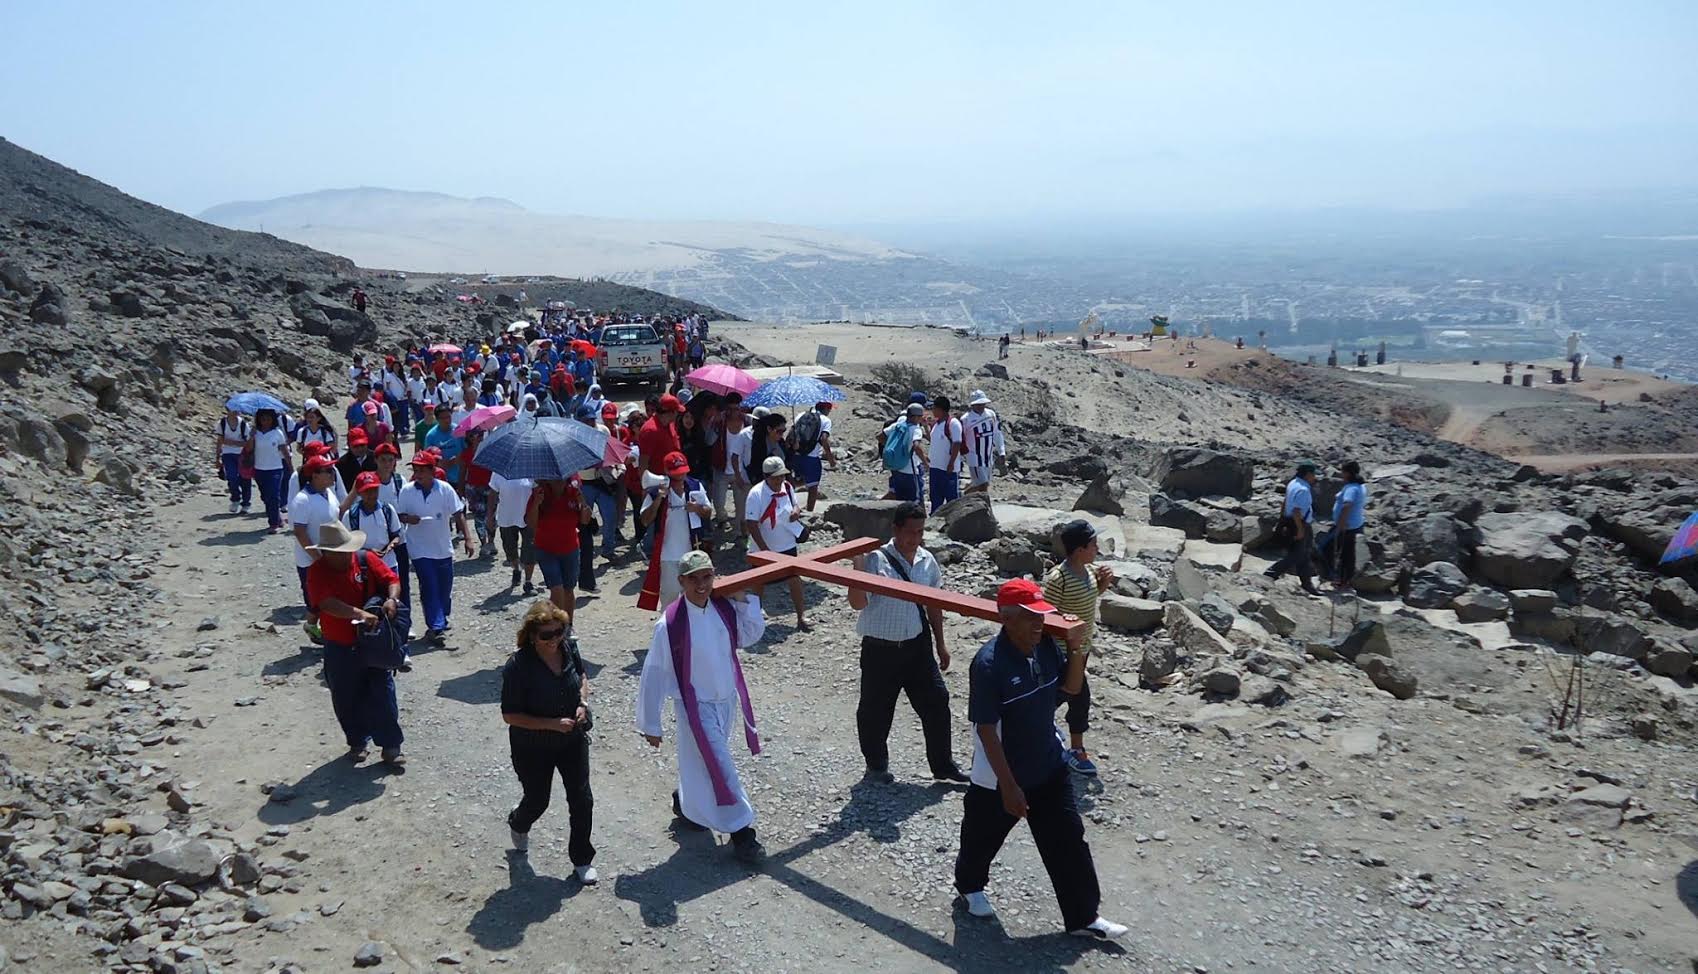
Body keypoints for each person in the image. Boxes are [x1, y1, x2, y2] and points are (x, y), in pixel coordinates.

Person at [954, 579, 1127, 940]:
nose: (1039, 624)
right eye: (1030, 617)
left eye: (1041, 616)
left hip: (1048, 763)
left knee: (1069, 840)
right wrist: (1008, 787)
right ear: (1006, 618)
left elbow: (1072, 688)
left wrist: (1076, 648)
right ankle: (969, 887)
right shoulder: (988, 664)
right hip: (1001, 774)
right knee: (981, 838)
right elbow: (986, 730)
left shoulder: (1046, 645)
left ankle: (1083, 917)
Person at [636, 549, 768, 863]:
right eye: (693, 578)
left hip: (726, 701)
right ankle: (743, 835)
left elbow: (750, 635)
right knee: (721, 767)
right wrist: (651, 723)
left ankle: (687, 805)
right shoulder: (670, 624)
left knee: (707, 763)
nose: (701, 584)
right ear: (681, 581)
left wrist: (742, 599)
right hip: (695, 707)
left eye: (706, 576)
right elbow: (654, 673)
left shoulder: (723, 609)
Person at [846, 502, 965, 784]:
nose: (916, 537)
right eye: (911, 531)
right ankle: (876, 766)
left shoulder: (927, 560)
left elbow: (934, 604)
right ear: (896, 529)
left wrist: (941, 643)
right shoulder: (876, 560)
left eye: (920, 531)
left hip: (917, 646)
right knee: (875, 711)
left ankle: (943, 766)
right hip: (880, 649)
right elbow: (858, 603)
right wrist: (857, 569)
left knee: (937, 702)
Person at [502, 601, 597, 882]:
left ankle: (582, 859)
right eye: (547, 635)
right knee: (537, 800)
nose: (555, 639)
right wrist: (551, 724)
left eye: (560, 631)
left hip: (571, 740)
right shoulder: (518, 666)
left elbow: (582, 676)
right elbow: (510, 715)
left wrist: (582, 703)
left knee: (582, 799)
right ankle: (519, 822)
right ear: (532, 635)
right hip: (533, 746)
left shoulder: (569, 648)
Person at [305, 522, 405, 767]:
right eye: (338, 552)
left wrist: (392, 599)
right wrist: (360, 614)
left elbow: (392, 579)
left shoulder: (365, 559)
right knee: (345, 695)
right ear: (326, 552)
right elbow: (326, 604)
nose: (344, 556)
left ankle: (391, 746)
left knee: (383, 692)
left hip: (373, 641)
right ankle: (358, 741)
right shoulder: (317, 571)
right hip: (339, 643)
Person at [1042, 521, 1115, 777]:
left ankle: (1038, 725)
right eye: (1093, 545)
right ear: (1079, 549)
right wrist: (1064, 622)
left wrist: (1104, 582)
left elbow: (1092, 596)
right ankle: (1076, 749)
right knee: (1078, 696)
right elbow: (1045, 614)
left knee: (1061, 694)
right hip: (1062, 650)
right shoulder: (1059, 578)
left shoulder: (1090, 572)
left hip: (1082, 649)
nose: (1097, 549)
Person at [396, 449, 473, 642]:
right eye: (415, 470)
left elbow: (458, 513)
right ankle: (435, 626)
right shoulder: (407, 491)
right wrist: (408, 519)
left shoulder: (445, 489)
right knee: (429, 585)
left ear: (432, 470)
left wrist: (468, 538)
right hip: (418, 548)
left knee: (445, 587)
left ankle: (442, 617)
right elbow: (399, 515)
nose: (418, 474)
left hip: (442, 547)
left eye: (422, 470)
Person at [637, 452, 711, 611]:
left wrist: (697, 508)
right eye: (676, 473)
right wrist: (658, 499)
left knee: (696, 597)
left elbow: (708, 512)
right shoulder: (656, 491)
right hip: (668, 556)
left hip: (693, 553)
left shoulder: (696, 486)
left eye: (683, 472)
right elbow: (645, 520)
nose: (680, 476)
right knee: (669, 600)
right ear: (667, 471)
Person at [744, 456, 809, 630]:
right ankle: (756, 617)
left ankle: (801, 616)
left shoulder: (787, 487)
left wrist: (796, 512)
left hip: (787, 543)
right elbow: (751, 523)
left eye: (782, 476)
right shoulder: (756, 494)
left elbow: (795, 504)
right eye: (776, 477)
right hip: (763, 547)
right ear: (766, 477)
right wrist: (764, 549)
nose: (780, 480)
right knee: (759, 582)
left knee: (794, 578)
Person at [289, 455, 342, 644]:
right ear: (315, 475)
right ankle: (320, 630)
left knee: (332, 596)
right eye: (327, 471)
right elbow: (300, 532)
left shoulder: (329, 493)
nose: (332, 474)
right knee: (318, 598)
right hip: (311, 560)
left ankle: (324, 630)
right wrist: (318, 558)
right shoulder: (302, 500)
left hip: (331, 556)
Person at [527, 477, 590, 626]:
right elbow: (531, 524)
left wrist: (583, 503)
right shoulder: (539, 493)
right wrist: (536, 503)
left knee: (568, 590)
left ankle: (568, 626)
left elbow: (585, 521)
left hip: (570, 548)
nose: (560, 482)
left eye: (563, 479)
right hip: (546, 549)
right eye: (555, 479)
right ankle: (557, 627)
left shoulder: (574, 493)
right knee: (557, 589)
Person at [1264, 460, 1322, 596]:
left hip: (1290, 522)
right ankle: (1270, 573)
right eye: (1313, 474)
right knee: (1297, 555)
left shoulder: (1293, 483)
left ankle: (1307, 584)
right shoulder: (1303, 490)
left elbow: (1285, 502)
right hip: (1299, 524)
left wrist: (1282, 519)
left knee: (1305, 554)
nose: (1315, 478)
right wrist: (1300, 530)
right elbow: (1297, 511)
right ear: (1308, 474)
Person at [489, 470, 538, 594]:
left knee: (530, 549)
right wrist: (490, 516)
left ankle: (528, 581)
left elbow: (538, 491)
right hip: (506, 517)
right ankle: (516, 568)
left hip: (529, 517)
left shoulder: (531, 470)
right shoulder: (498, 472)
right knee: (509, 548)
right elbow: (492, 493)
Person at [712, 399, 752, 539]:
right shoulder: (719, 423)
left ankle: (738, 531)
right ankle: (722, 519)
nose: (734, 412)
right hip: (722, 469)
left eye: (737, 408)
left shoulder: (747, 423)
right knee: (719, 502)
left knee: (740, 505)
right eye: (730, 408)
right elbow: (709, 441)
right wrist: (715, 424)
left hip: (740, 471)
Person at [248, 408, 292, 533]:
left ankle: (273, 524)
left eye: (268, 419)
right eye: (263, 419)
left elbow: (285, 451)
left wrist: (290, 466)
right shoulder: (255, 433)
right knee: (266, 497)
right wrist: (251, 437)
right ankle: (277, 518)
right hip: (259, 470)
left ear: (273, 420)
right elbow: (249, 449)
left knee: (273, 496)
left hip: (275, 469)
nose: (265, 421)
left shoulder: (277, 433)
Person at [788, 402, 836, 512]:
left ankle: (789, 504)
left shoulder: (801, 415)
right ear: (825, 408)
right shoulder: (826, 420)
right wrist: (831, 460)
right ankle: (809, 513)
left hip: (796, 455)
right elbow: (824, 439)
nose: (830, 411)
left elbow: (791, 433)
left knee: (797, 480)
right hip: (812, 457)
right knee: (813, 486)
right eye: (829, 408)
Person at [1330, 460, 1368, 589]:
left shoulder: (1351, 488)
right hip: (1355, 523)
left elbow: (1347, 506)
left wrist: (1340, 525)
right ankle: (1345, 579)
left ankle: (1342, 580)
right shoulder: (1360, 486)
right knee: (1349, 553)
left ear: (1347, 473)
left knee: (1343, 554)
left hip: (1347, 526)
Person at [880, 404, 927, 504]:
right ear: (915, 417)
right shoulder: (916, 429)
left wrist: (894, 448)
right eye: (920, 416)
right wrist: (926, 463)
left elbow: (880, 436)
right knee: (916, 501)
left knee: (900, 500)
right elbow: (917, 447)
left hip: (897, 470)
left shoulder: (897, 426)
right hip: (910, 470)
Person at [961, 391, 1006, 495]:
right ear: (972, 405)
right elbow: (961, 439)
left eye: (982, 404)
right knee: (982, 485)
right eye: (978, 404)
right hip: (974, 457)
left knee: (984, 484)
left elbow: (997, 433)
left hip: (988, 456)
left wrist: (1001, 451)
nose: (981, 406)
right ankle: (965, 496)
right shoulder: (966, 419)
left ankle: (967, 495)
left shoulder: (991, 414)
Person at [927, 396, 965, 513]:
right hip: (935, 468)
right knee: (935, 499)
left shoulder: (953, 423)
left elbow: (957, 443)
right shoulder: (937, 424)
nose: (932, 410)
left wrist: (951, 463)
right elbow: (933, 440)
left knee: (951, 501)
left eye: (934, 408)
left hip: (948, 469)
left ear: (940, 409)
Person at [214, 408, 252, 514]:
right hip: (227, 454)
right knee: (231, 476)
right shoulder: (222, 423)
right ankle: (235, 499)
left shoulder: (243, 424)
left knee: (245, 478)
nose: (236, 411)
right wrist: (217, 458)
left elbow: (248, 442)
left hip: (242, 454)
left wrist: (230, 442)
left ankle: (246, 503)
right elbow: (220, 441)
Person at [638, 394, 684, 475]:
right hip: (658, 479)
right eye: (677, 412)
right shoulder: (650, 431)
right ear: (671, 412)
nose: (678, 415)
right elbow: (643, 464)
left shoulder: (670, 424)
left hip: (673, 474)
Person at [335, 428, 377, 493]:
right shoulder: (341, 464)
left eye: (362, 445)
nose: (360, 449)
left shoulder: (377, 458)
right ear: (349, 445)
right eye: (356, 446)